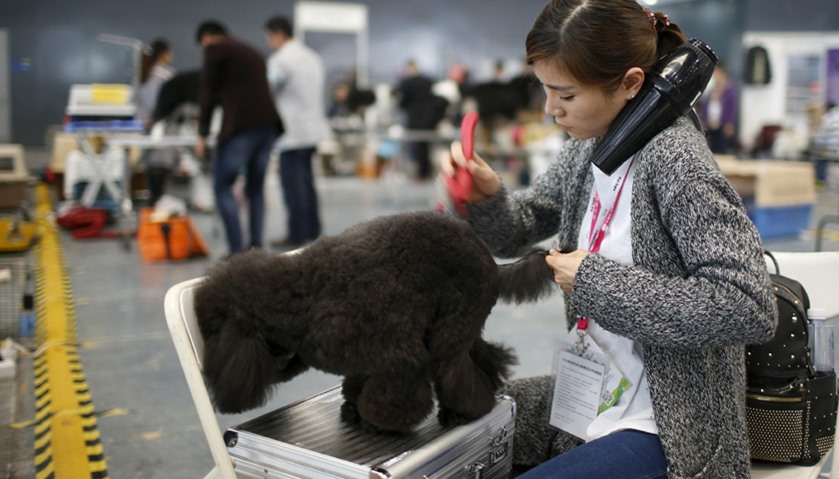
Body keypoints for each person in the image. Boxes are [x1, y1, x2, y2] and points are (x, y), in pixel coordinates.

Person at [439, 1, 777, 478]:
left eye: (566, 95)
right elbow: (520, 226)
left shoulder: (678, 163)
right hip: (596, 396)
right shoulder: (589, 145)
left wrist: (597, 283)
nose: (550, 110)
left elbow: (748, 305)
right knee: (449, 428)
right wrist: (486, 197)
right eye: (545, 91)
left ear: (632, 83)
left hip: (666, 423)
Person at [194, 20, 283, 257]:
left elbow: (207, 94)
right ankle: (255, 249)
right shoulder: (253, 51)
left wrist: (202, 134)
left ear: (207, 38)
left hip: (242, 127)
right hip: (268, 127)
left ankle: (236, 251)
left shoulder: (215, 50)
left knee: (222, 186)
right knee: (255, 189)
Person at [264, 15, 332, 249]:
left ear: (278, 34)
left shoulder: (280, 60)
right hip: (312, 131)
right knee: (307, 183)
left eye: (269, 38)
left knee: (292, 185)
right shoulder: (313, 57)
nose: (269, 43)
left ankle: (296, 234)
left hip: (291, 133)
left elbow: (268, 90)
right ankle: (313, 231)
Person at [137, 38, 176, 206]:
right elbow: (171, 103)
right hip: (163, 127)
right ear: (164, 54)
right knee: (161, 168)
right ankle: (157, 205)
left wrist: (144, 118)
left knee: (152, 168)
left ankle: (153, 203)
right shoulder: (167, 75)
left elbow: (136, 101)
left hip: (146, 126)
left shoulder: (143, 74)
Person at [395, 60, 448, 180]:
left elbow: (403, 103)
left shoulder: (406, 83)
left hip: (415, 119)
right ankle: (426, 172)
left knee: (417, 147)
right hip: (429, 118)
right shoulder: (427, 81)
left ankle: (421, 174)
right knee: (426, 147)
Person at [699, 64, 739, 154]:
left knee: (721, 148)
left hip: (723, 124)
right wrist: (704, 119)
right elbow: (705, 104)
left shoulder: (729, 89)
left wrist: (729, 122)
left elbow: (732, 107)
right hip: (710, 123)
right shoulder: (712, 87)